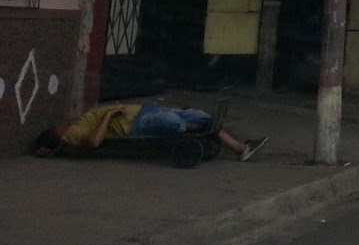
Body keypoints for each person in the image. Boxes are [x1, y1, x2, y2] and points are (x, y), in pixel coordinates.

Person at [34, 103, 266, 161]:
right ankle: (196, 130)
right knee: (174, 122)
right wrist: (109, 116)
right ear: (55, 135)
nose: (59, 126)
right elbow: (94, 142)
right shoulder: (70, 135)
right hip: (137, 124)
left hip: (144, 111)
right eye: (55, 128)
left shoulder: (76, 125)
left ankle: (240, 148)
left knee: (202, 115)